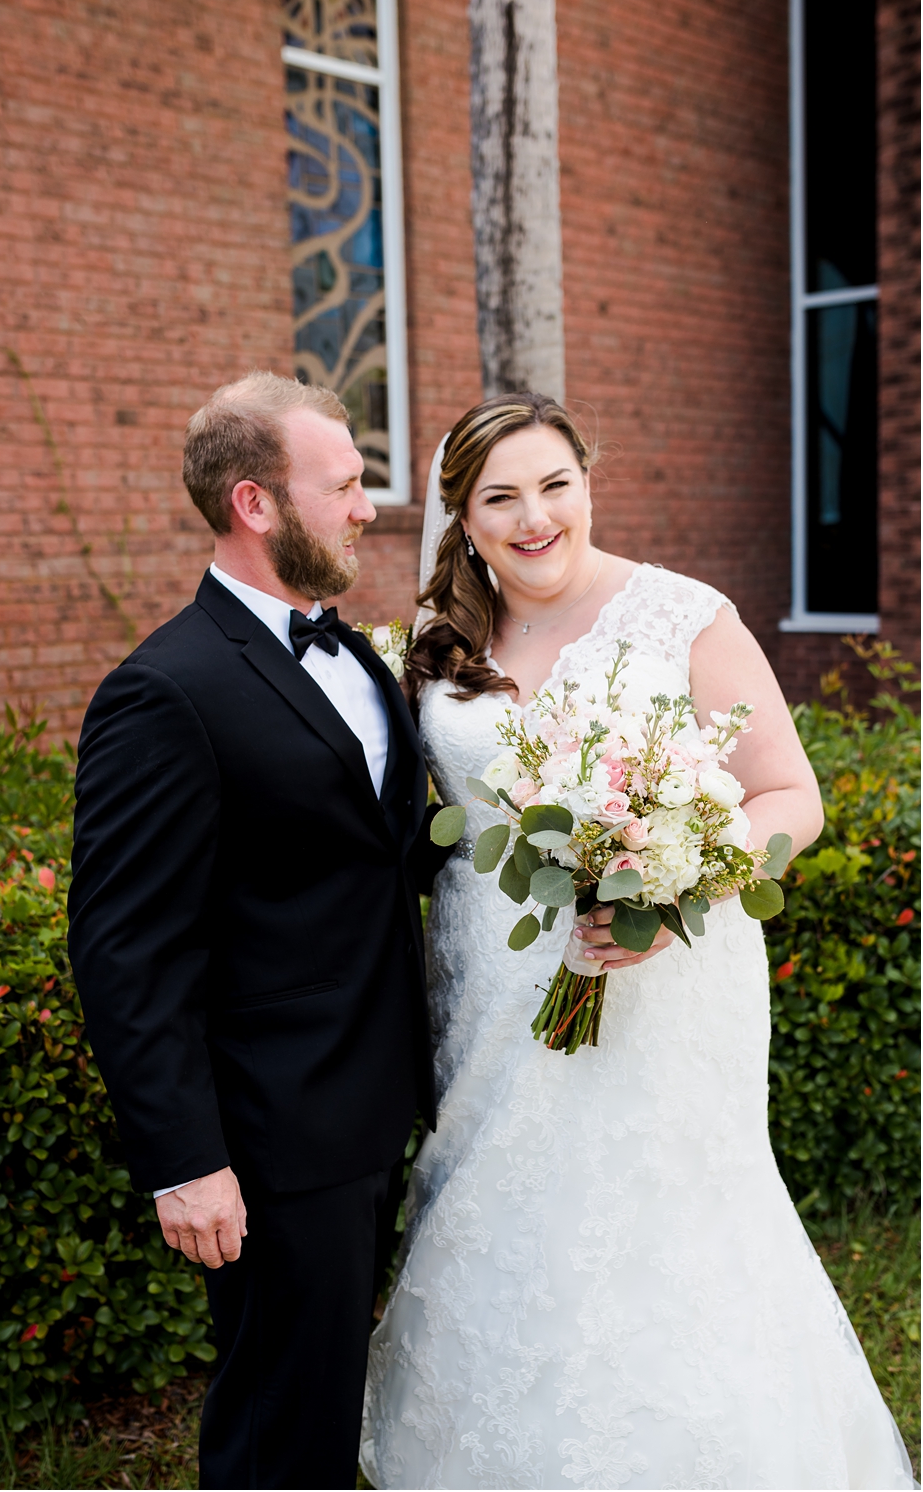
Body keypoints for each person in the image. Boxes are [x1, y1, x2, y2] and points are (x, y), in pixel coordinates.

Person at [360, 392, 916, 1490]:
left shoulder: (682, 615)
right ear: (459, 516)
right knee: (503, 1204)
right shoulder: (436, 645)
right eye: (499, 497)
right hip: (494, 979)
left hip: (666, 974)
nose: (534, 518)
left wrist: (682, 890)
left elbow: (786, 793)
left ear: (587, 477)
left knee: (659, 1213)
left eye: (553, 484)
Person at [67, 371, 448, 1491]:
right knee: (278, 1421)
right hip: (271, 1131)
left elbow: (373, 852)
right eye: (343, 484)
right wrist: (186, 1159)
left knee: (328, 1398)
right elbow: (125, 945)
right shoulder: (164, 691)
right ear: (256, 504)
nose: (366, 504)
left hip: (373, 1102)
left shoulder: (354, 653)